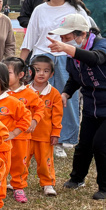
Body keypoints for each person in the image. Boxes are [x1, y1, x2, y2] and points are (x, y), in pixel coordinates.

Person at [45, 13, 106, 198]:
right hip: (94, 105)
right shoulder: (73, 55)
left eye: (67, 38)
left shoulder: (103, 45)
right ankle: (77, 179)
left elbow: (96, 59)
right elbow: (75, 77)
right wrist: (66, 93)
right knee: (84, 144)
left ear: (83, 34)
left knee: (102, 145)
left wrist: (68, 48)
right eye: (62, 38)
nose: (63, 42)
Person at [20, 0, 90, 158]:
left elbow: (86, 36)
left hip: (67, 57)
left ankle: (63, 139)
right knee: (38, 99)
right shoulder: (39, 10)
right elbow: (29, 38)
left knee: (66, 99)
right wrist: (21, 62)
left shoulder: (76, 9)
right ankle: (36, 137)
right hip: (42, 57)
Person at [0, 62, 30, 203]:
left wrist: (14, 133)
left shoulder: (12, 102)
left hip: (1, 148)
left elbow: (26, 117)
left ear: (2, 79)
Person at [4, 57, 43, 203]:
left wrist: (34, 120)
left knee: (20, 162)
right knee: (0, 162)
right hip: (3, 136)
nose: (3, 75)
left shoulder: (29, 93)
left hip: (22, 136)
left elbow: (40, 107)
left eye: (7, 72)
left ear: (20, 75)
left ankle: (18, 186)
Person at [26, 55, 63, 196]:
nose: (41, 73)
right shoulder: (24, 91)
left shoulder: (54, 94)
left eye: (46, 71)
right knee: (21, 160)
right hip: (25, 135)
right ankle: (18, 182)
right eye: (37, 70)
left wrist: (56, 133)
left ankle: (47, 183)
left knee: (45, 161)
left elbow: (57, 116)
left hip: (44, 136)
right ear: (30, 72)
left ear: (51, 74)